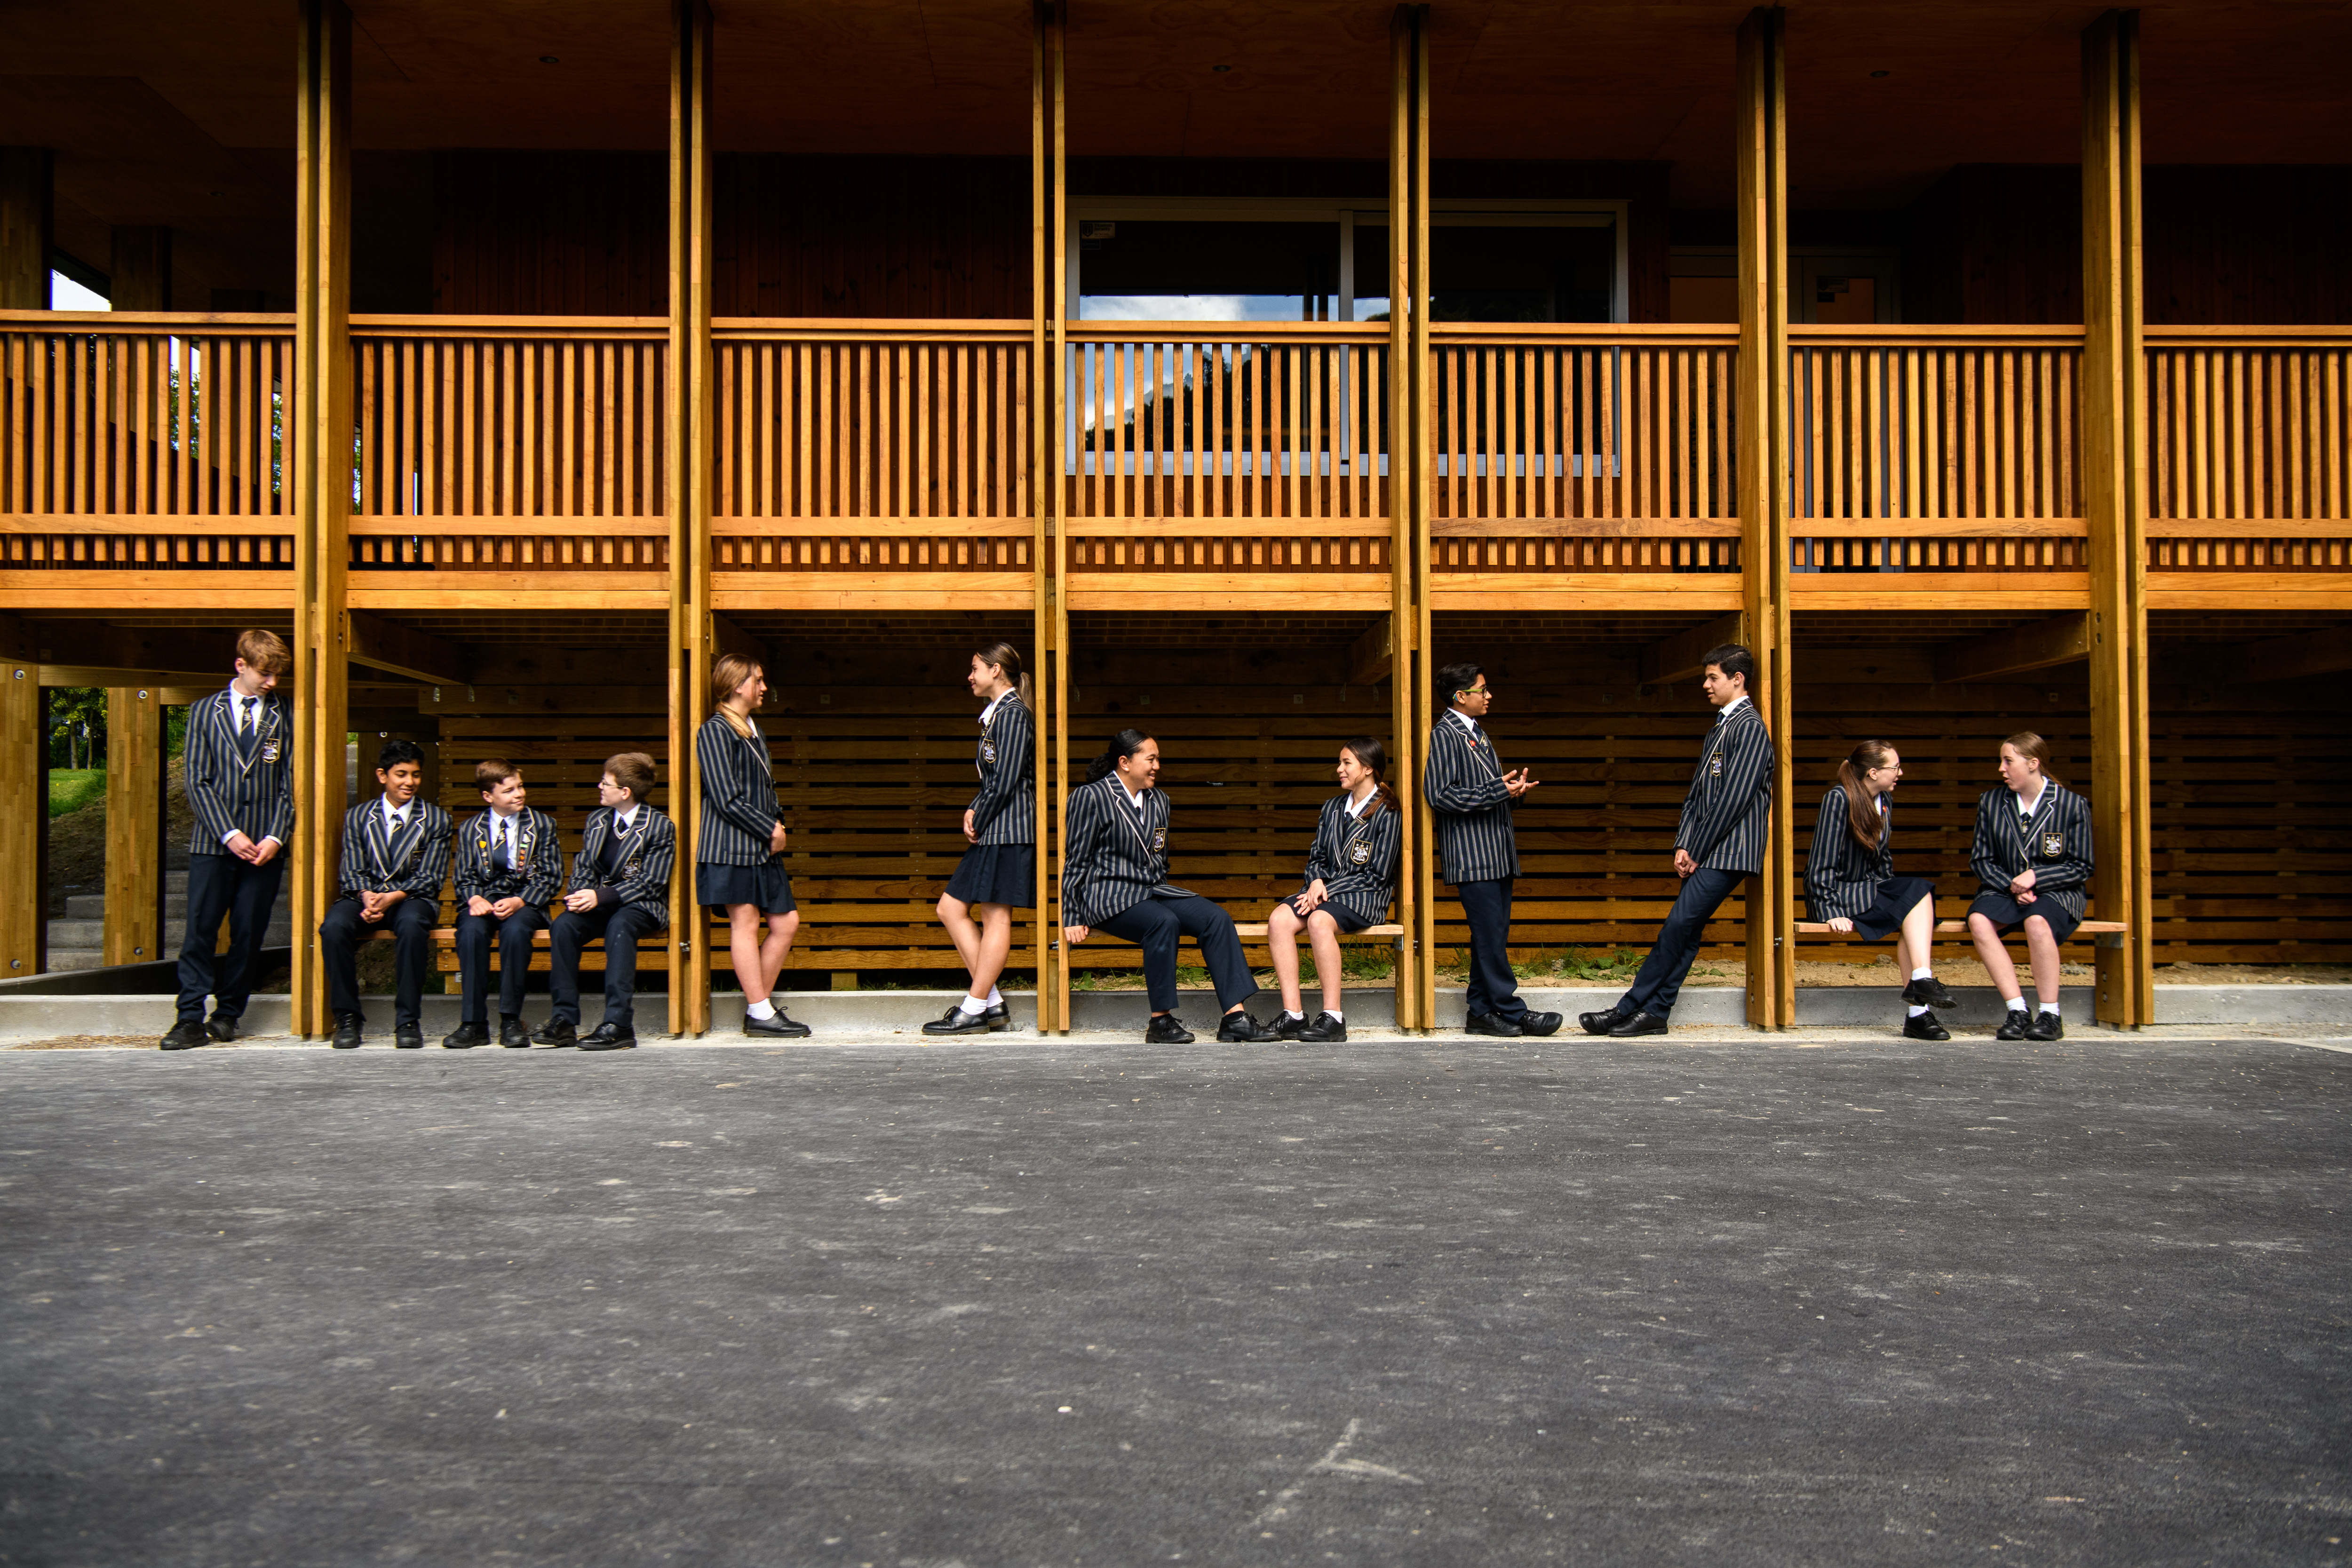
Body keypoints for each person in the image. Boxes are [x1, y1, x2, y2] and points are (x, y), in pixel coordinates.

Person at [1581, 644, 1774, 1038]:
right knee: (1686, 933)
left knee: (1677, 926)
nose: (1706, 684)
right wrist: (1684, 845)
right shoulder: (1722, 725)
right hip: (1709, 848)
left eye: (1713, 677)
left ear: (1737, 679)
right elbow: (1697, 794)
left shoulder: (1749, 727)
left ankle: (1628, 1008)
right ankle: (1656, 1013)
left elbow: (1734, 799)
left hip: (1729, 850)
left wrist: (1697, 848)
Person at [1061, 729, 1279, 1044]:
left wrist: (1159, 885)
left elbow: (1160, 857)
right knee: (1164, 921)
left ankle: (1235, 1017)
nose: (1157, 766)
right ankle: (1160, 1021)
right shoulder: (1090, 796)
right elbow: (1076, 859)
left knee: (1215, 918)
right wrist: (1072, 913)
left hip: (1153, 891)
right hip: (1108, 895)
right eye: (1151, 759)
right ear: (1125, 762)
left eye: (1157, 759)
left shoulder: (1160, 800)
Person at [163, 629, 295, 1051]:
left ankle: (227, 1015)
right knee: (200, 931)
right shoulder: (204, 712)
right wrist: (230, 833)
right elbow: (197, 781)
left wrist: (276, 835)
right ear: (241, 665)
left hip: (266, 848)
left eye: (277, 675)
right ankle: (188, 1019)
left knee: (248, 933)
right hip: (212, 844)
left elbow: (291, 785)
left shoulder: (286, 714)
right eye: (266, 673)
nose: (272, 682)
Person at [1423, 661, 1561, 1038]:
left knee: (1491, 935)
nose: (1488, 695)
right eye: (1481, 689)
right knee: (1489, 935)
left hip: (1496, 852)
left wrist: (1511, 792)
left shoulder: (1477, 733)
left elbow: (1484, 792)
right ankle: (1513, 1010)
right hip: (1472, 856)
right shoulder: (1445, 734)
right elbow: (1439, 795)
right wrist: (1497, 791)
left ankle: (1481, 1012)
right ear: (1459, 696)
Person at [1804, 740, 1959, 1041]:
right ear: (1873, 773)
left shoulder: (1885, 801)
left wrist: (1895, 895)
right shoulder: (1839, 798)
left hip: (1871, 890)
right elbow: (1821, 861)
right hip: (1840, 896)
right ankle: (1922, 987)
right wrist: (1829, 913)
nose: (1900, 772)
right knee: (1918, 890)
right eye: (1895, 767)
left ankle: (1918, 1014)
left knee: (1914, 897)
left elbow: (1883, 859)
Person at [695, 654, 810, 1038]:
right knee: (745, 922)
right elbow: (725, 796)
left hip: (762, 845)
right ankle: (761, 1011)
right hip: (731, 846)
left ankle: (757, 1007)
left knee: (786, 922)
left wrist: (775, 827)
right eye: (757, 680)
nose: (763, 688)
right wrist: (770, 828)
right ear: (736, 684)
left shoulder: (750, 728)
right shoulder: (713, 730)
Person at [926, 642, 1036, 1036]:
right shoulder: (999, 715)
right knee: (950, 908)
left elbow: (1006, 779)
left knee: (994, 915)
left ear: (997, 670)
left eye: (975, 668)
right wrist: (976, 808)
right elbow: (997, 779)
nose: (970, 676)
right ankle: (991, 1004)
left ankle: (975, 1007)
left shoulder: (1013, 714)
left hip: (1009, 829)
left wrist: (979, 812)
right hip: (996, 828)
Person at [1265, 737, 1402, 1044]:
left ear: (1368, 769)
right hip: (1324, 892)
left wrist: (1326, 887)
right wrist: (1316, 880)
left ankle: (1333, 1018)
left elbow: (1377, 873)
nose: (1339, 769)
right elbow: (1317, 858)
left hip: (1365, 895)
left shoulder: (1388, 811)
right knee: (1279, 920)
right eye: (1340, 763)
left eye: (1346, 763)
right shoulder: (1332, 807)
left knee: (1318, 921)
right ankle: (1294, 1015)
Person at [538, 752, 676, 1051]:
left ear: (625, 792)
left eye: (606, 782)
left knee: (621, 924)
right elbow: (585, 866)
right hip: (601, 903)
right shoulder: (597, 820)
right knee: (563, 926)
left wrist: (600, 896)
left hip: (642, 906)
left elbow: (651, 881)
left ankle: (619, 1023)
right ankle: (563, 1021)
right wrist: (578, 897)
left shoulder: (660, 826)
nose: (600, 786)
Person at [320, 740, 453, 1050]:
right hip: (362, 897)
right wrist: (367, 896)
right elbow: (351, 869)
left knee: (412, 925)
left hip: (412, 898)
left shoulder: (436, 819)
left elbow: (431, 878)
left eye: (416, 775)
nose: (410, 782)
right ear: (382, 775)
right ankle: (348, 1019)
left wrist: (392, 897)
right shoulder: (357, 817)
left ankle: (408, 1020)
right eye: (402, 774)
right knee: (333, 927)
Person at [1965, 732, 2094, 1042]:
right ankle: (2018, 1010)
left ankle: (2051, 1015)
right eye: (2002, 761)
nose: (2001, 768)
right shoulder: (1992, 801)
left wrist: (2036, 876)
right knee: (1978, 920)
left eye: (2008, 760)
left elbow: (2082, 866)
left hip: (2057, 891)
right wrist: (2013, 885)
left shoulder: (2072, 805)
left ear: (2034, 763)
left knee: (2038, 922)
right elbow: (1981, 861)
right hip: (2005, 887)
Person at [441, 759, 562, 1049]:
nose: (519, 794)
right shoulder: (472, 828)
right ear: (488, 797)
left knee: (516, 933)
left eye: (520, 786)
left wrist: (521, 900)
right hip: (484, 900)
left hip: (525, 902)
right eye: (509, 791)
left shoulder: (542, 824)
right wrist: (475, 897)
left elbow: (551, 876)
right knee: (470, 931)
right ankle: (473, 1023)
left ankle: (510, 1020)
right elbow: (464, 875)